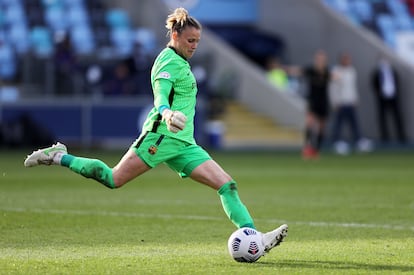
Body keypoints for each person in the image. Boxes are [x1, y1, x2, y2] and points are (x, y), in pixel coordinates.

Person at [24, 8, 287, 256]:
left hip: (184, 144)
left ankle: (255, 238)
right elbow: (160, 92)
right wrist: (167, 112)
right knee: (113, 179)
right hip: (160, 137)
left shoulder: (181, 62)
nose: (194, 45)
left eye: (197, 41)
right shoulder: (168, 61)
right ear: (175, 36)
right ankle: (58, 156)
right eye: (190, 40)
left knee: (227, 185)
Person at [330, 52, 372, 155]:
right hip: (341, 102)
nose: (348, 61)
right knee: (339, 124)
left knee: (354, 123)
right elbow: (333, 88)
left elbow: (352, 87)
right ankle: (337, 142)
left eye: (349, 59)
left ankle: (359, 141)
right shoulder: (336, 71)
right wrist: (335, 102)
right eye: (346, 59)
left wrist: (355, 98)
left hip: (350, 101)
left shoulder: (351, 71)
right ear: (341, 60)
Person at [301, 50, 331, 159]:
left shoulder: (327, 72)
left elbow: (335, 77)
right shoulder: (311, 70)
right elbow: (299, 71)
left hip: (323, 101)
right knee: (310, 122)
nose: (320, 61)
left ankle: (317, 149)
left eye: (322, 59)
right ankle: (306, 147)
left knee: (322, 127)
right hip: (313, 101)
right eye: (319, 58)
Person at [371, 56, 406, 144]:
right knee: (382, 118)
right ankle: (385, 137)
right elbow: (374, 84)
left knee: (397, 117)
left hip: (393, 97)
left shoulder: (393, 71)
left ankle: (401, 136)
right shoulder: (377, 73)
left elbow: (397, 82)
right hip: (382, 98)